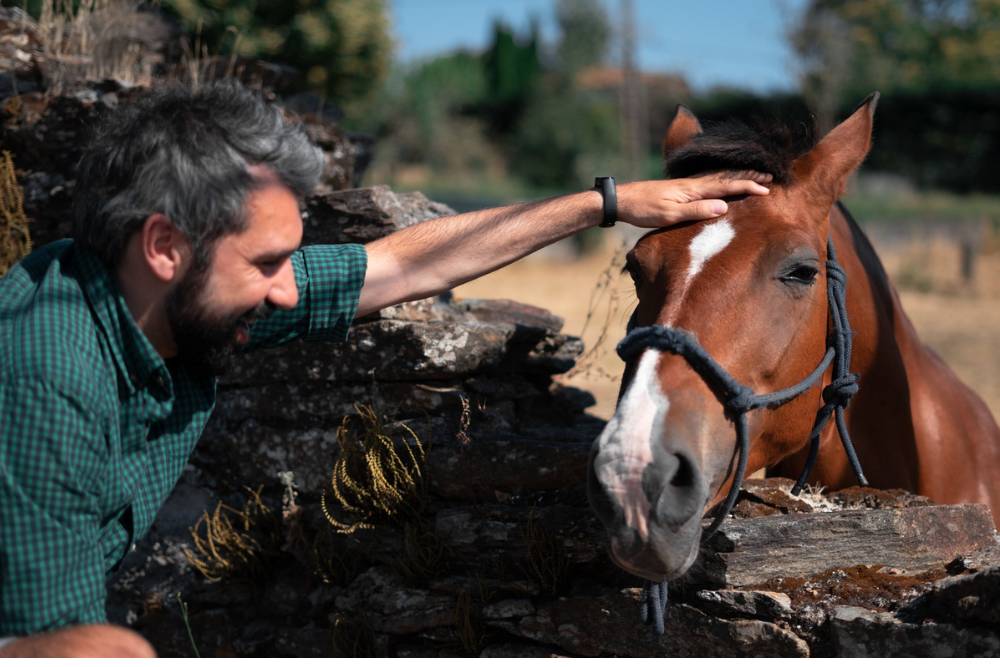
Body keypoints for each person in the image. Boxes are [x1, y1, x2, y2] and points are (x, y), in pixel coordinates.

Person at [0, 81, 770, 657]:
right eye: (267, 262)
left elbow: (397, 265)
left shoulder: (167, 299)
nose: (288, 289)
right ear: (165, 245)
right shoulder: (44, 383)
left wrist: (609, 202)